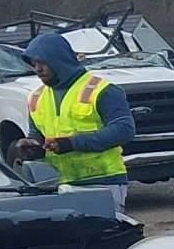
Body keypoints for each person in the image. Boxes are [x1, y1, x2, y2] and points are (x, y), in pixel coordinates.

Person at [11, 31, 136, 216]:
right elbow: (37, 136)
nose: (37, 69)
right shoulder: (36, 98)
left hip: (103, 183)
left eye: (42, 62)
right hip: (59, 186)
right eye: (34, 63)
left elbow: (124, 130)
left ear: (58, 60)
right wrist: (32, 148)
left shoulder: (103, 90)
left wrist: (71, 143)